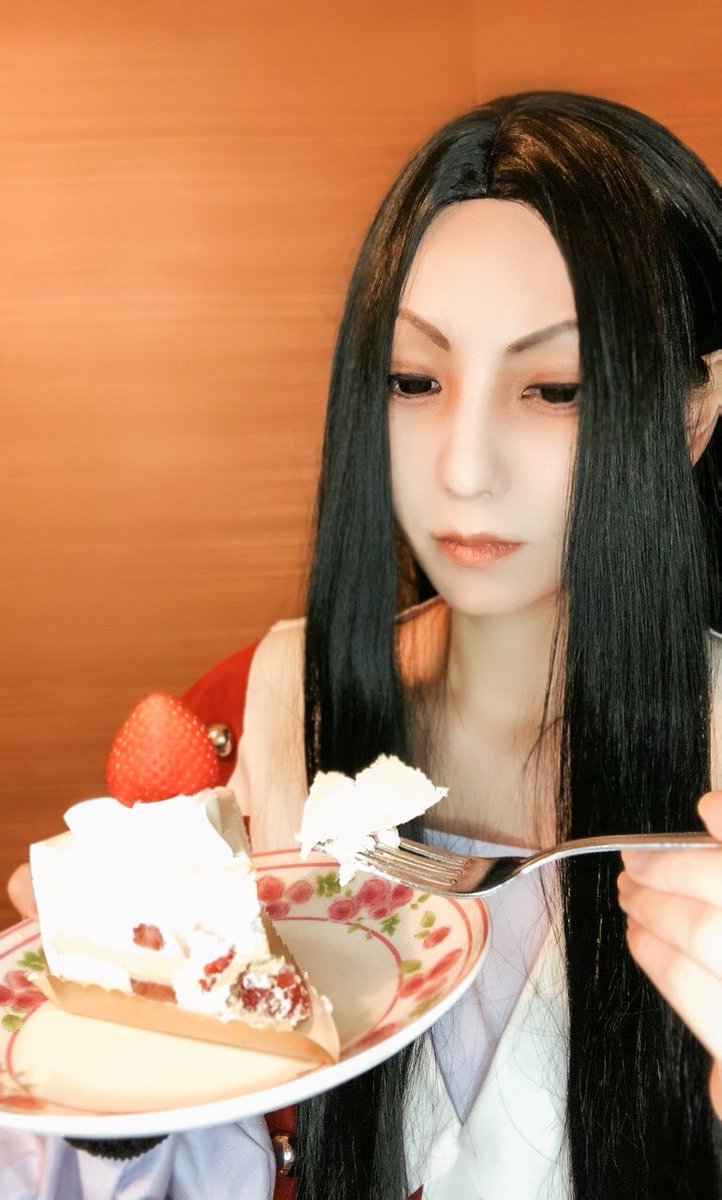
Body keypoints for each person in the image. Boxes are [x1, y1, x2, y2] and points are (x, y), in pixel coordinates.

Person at [3, 89, 722, 1199]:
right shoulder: (262, 716)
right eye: (413, 381)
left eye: (555, 389)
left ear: (694, 411)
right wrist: (121, 1092)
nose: (461, 468)